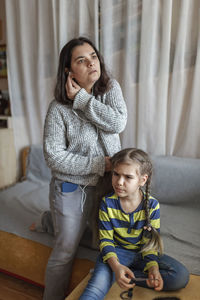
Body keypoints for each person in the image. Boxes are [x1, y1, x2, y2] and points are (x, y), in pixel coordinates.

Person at [39, 36, 127, 300]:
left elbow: (117, 123)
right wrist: (103, 163)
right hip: (72, 187)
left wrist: (82, 100)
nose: (91, 63)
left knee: (103, 243)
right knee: (65, 252)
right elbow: (54, 158)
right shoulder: (57, 109)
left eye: (93, 56)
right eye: (81, 60)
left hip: (108, 186)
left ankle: (49, 219)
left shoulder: (110, 89)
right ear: (69, 70)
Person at [79, 148, 189, 300]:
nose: (119, 182)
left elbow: (150, 244)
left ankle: (121, 275)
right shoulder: (107, 203)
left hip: (143, 253)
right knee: (93, 292)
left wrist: (153, 267)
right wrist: (116, 266)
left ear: (142, 180)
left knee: (180, 276)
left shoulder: (152, 205)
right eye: (116, 174)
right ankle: (114, 273)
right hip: (116, 254)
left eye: (128, 177)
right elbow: (105, 241)